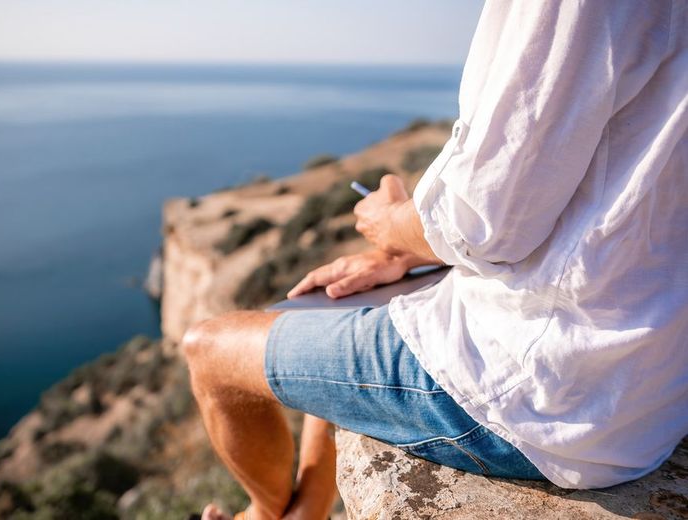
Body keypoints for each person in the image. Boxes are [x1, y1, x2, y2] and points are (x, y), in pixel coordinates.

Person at [184, 2, 688, 519]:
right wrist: (407, 251)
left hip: (549, 397)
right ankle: (312, 503)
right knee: (338, 306)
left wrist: (391, 223)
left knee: (208, 350)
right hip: (654, 386)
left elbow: (484, 220)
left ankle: (266, 514)